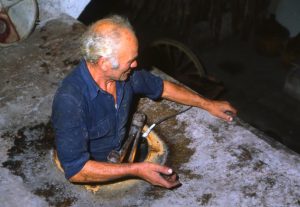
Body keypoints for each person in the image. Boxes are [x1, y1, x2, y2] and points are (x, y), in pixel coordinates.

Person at [51, 15, 237, 189]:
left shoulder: (125, 75)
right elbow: (76, 170)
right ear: (104, 63)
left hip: (119, 154)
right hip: (94, 172)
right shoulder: (70, 101)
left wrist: (208, 104)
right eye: (130, 61)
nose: (135, 65)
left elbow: (164, 88)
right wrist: (137, 170)